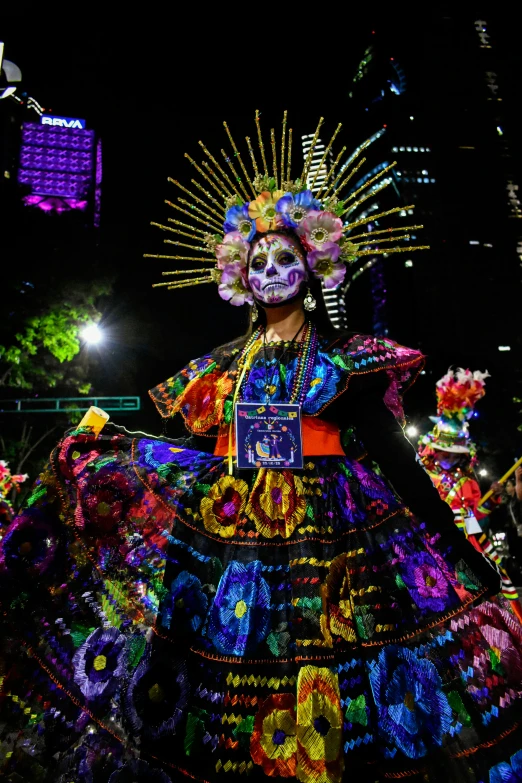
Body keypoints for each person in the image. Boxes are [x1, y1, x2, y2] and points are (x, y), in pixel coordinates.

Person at [1, 114, 521, 783]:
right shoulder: (220, 368)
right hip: (233, 540)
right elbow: (194, 457)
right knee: (227, 683)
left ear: (311, 268)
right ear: (239, 278)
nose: (271, 272)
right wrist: (112, 454)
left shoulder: (346, 359)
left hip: (338, 537)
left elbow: (396, 460)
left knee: (342, 679)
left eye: (285, 260)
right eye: (257, 262)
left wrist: (456, 543)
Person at [417, 368, 522, 614]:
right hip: (434, 538)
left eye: (456, 453)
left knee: (484, 590)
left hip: (470, 540)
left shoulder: (468, 481)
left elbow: (477, 518)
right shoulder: (425, 476)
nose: (450, 456)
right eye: (446, 451)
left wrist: (493, 498)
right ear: (433, 449)